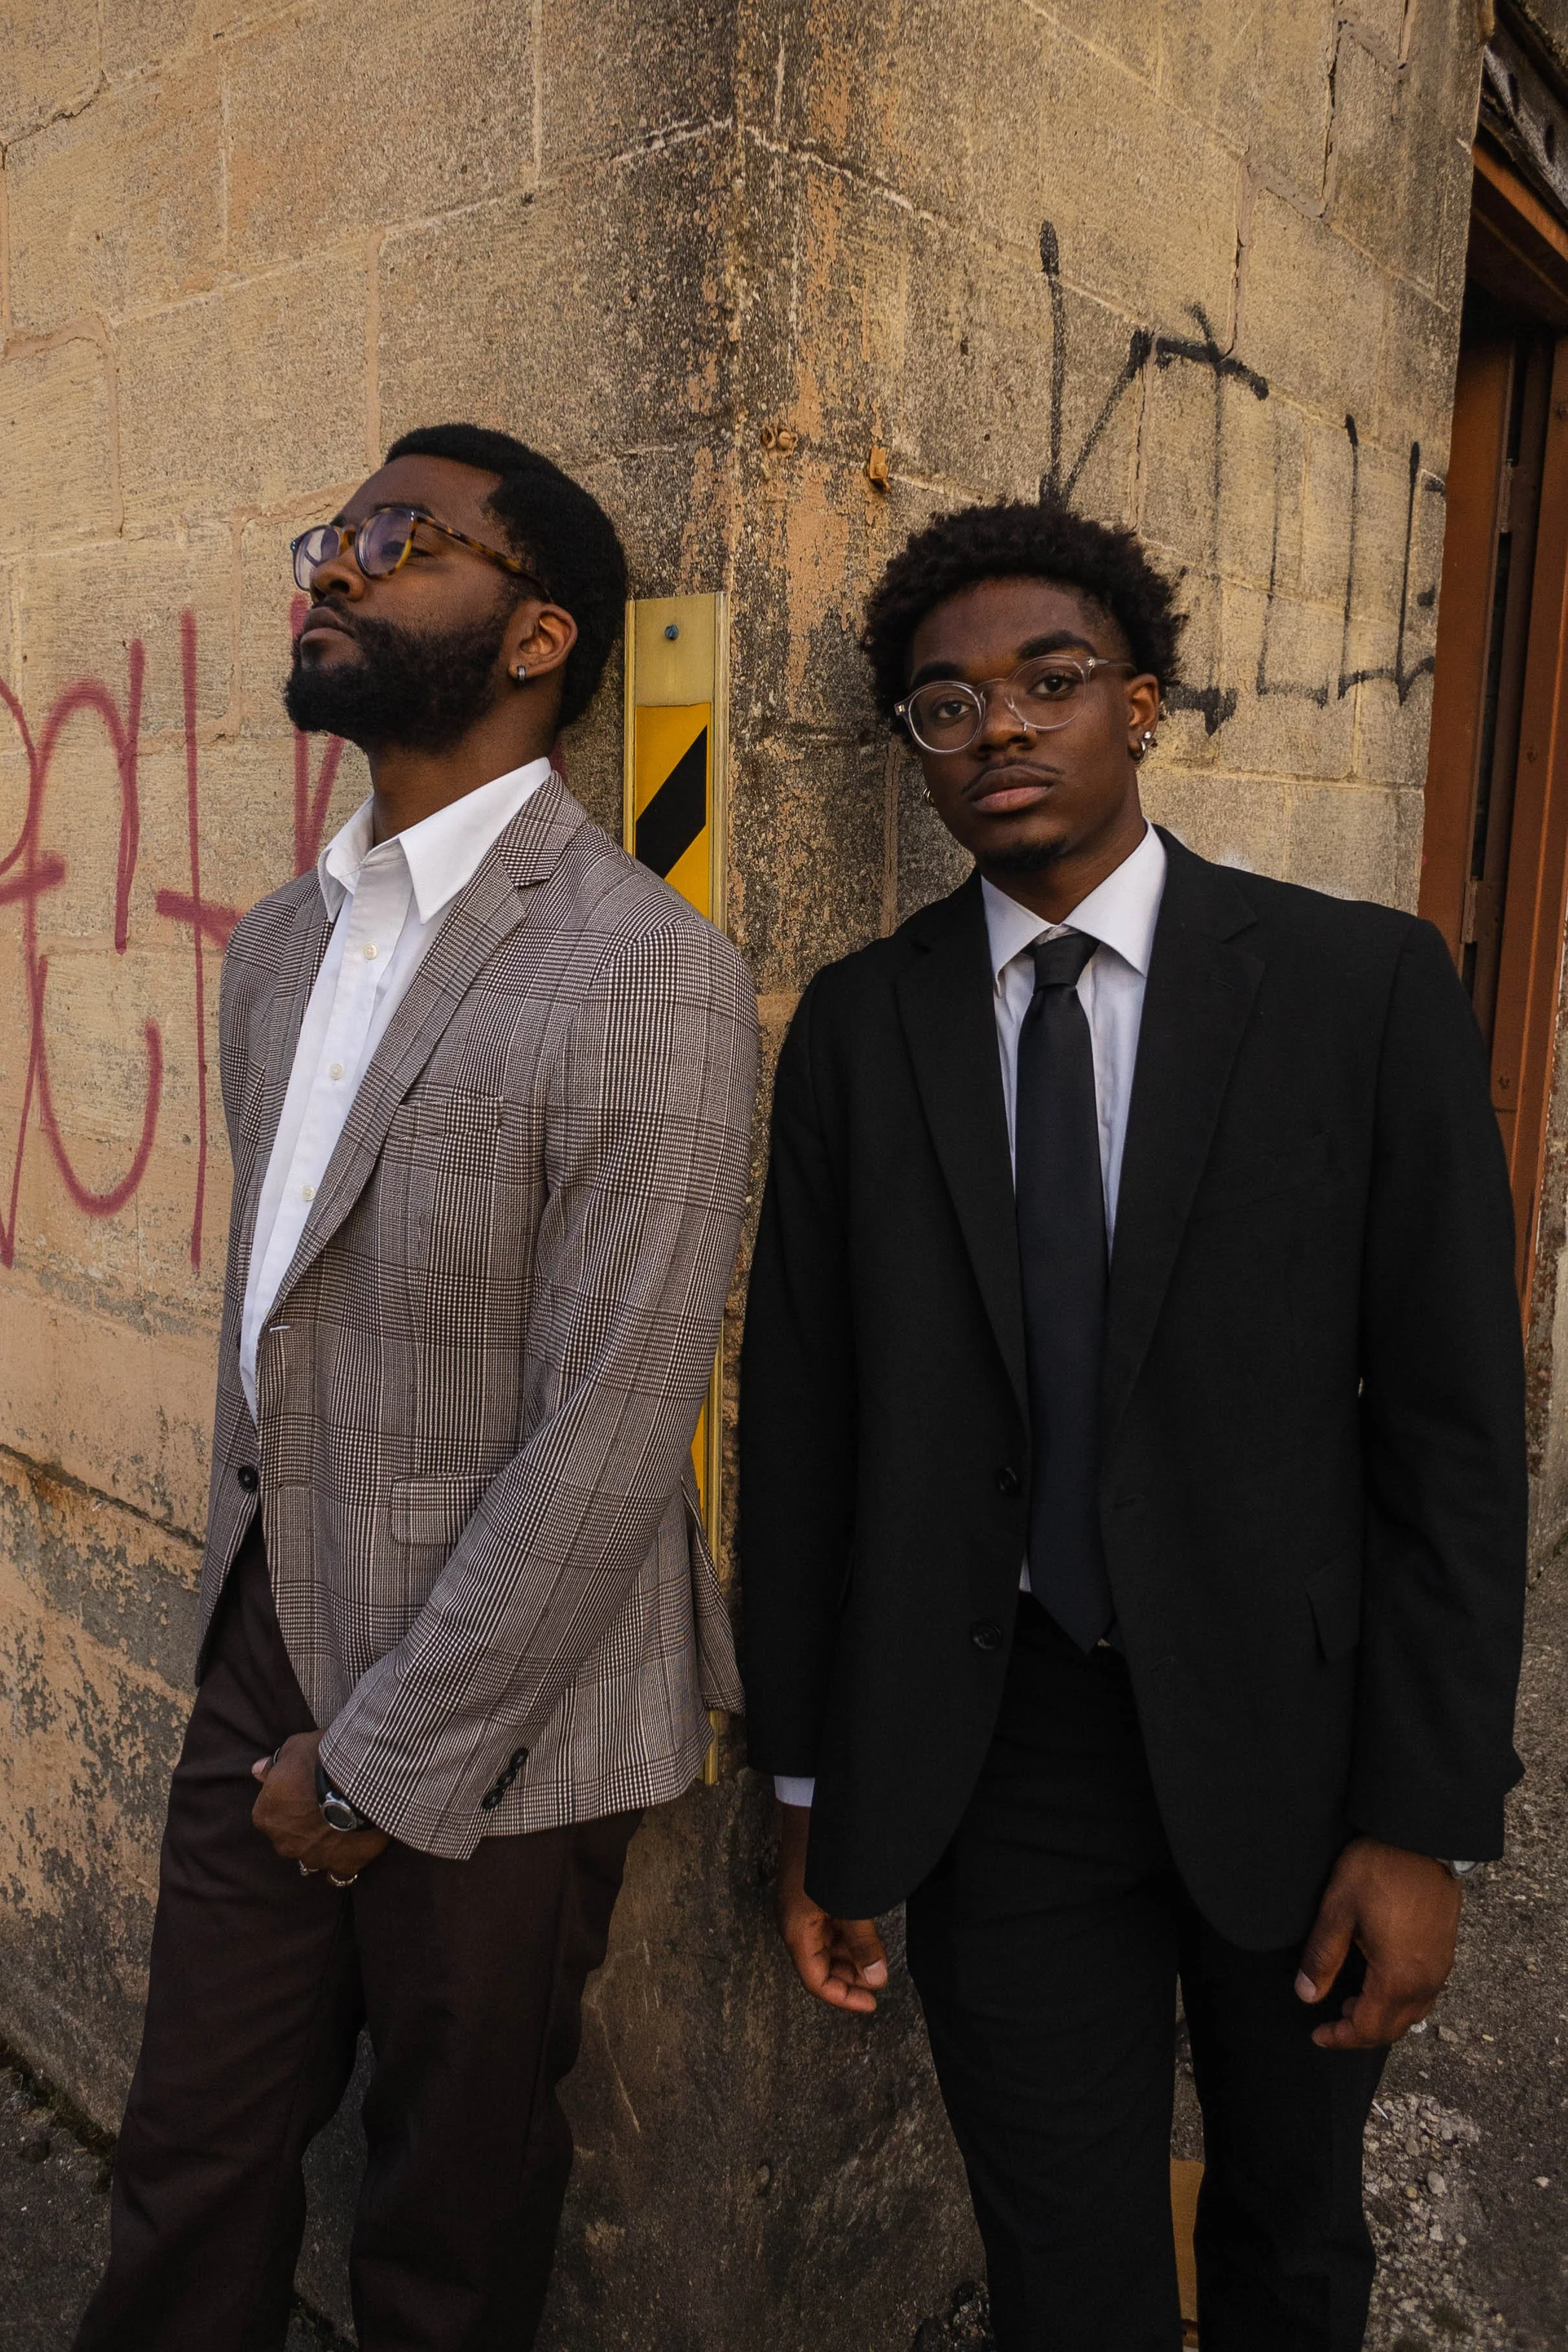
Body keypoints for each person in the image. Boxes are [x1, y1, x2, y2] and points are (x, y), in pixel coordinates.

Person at [739, 497, 1527, 2352]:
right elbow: (807, 1428)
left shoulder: (1352, 989)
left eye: (1048, 680)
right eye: (942, 705)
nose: (997, 726)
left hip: (1293, 1736)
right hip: (997, 1744)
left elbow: (1450, 1435)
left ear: (1144, 702)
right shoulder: (862, 1029)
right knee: (1062, 2267)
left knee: (1289, 2233)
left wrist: (1425, 1820)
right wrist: (808, 1789)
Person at [76, 424, 757, 2352]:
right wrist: (275, 1688)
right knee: (190, 2162)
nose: (339, 569)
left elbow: (619, 1422)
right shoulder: (282, 948)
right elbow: (284, 1307)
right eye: (332, 536)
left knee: (447, 2222)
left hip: (512, 1712)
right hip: (265, 1644)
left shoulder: (649, 973)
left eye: (396, 539)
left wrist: (384, 1760)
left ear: (540, 633)